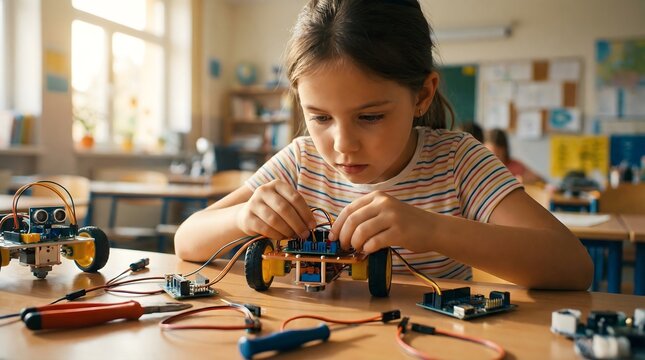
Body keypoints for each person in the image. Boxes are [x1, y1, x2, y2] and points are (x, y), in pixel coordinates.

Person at [175, 0, 592, 290]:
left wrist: (431, 229)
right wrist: (243, 218)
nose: (342, 145)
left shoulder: (458, 161)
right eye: (319, 117)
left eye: (370, 116)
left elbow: (573, 266)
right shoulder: (301, 161)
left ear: (422, 95)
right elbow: (186, 239)